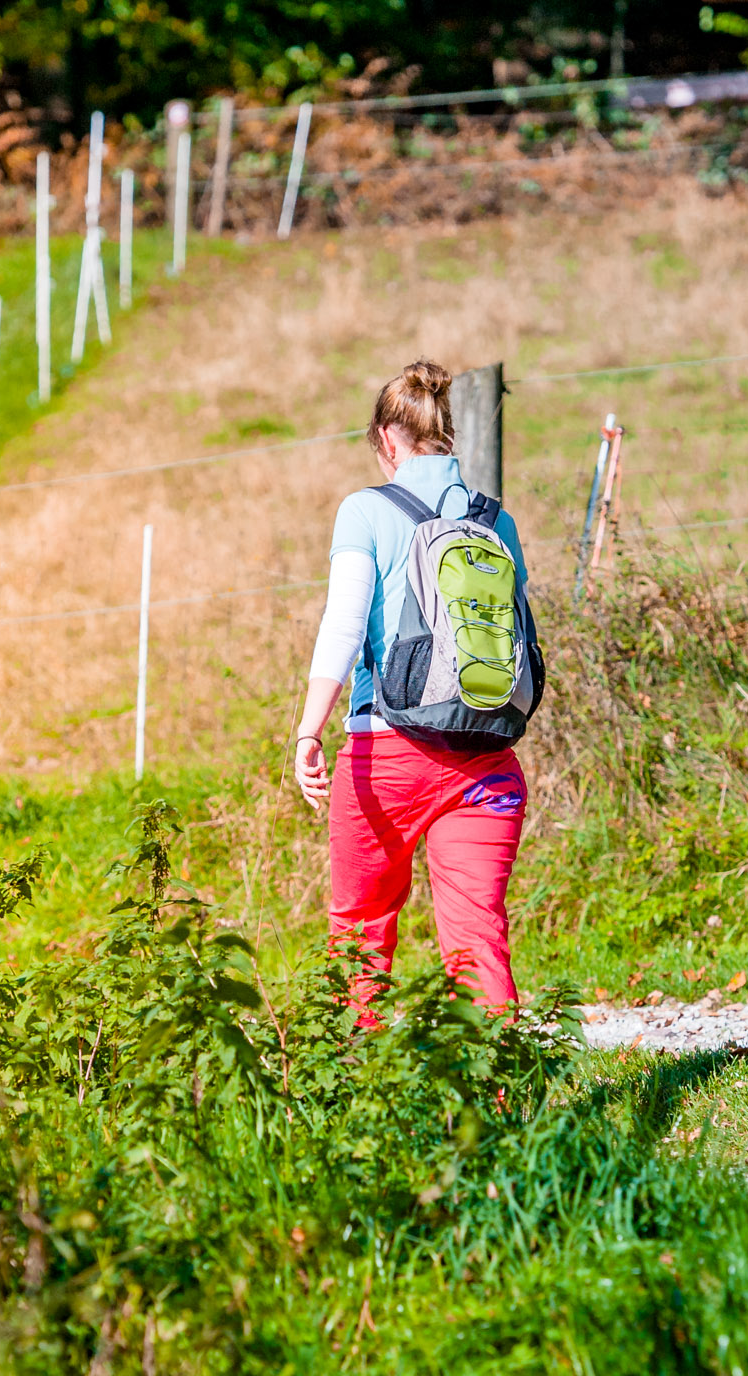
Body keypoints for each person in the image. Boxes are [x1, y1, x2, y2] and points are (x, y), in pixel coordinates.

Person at [292, 361, 530, 1010]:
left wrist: (309, 730)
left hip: (385, 757)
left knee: (361, 935)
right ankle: (504, 1102)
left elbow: (343, 625)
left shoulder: (365, 510)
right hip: (488, 764)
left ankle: (360, 1098)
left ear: (388, 439)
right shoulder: (496, 522)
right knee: (478, 940)